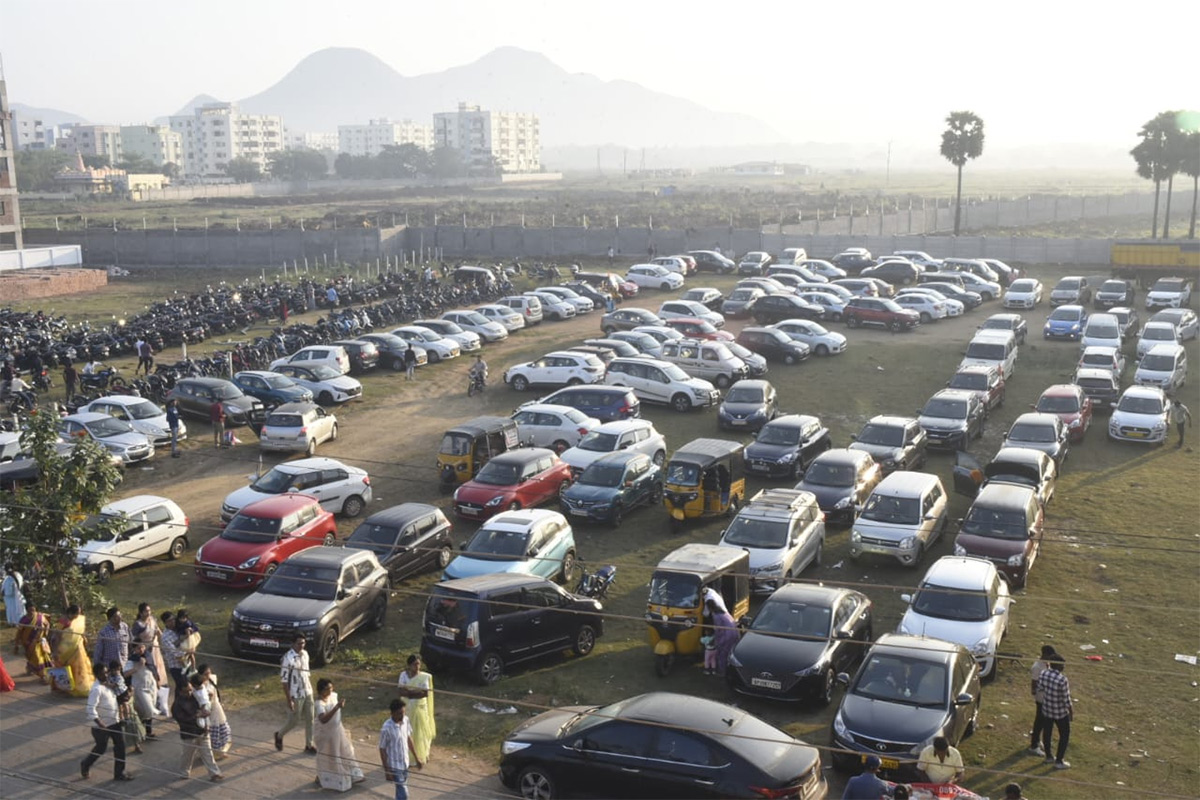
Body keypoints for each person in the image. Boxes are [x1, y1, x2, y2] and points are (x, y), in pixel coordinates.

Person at [81, 662, 132, 781]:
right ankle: (85, 764)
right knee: (101, 749)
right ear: (97, 674)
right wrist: (100, 723)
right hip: (101, 726)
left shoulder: (108, 685)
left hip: (114, 721)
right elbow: (90, 708)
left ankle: (119, 773)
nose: (106, 674)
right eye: (103, 673)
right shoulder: (96, 689)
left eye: (106, 672)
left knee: (120, 747)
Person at [314, 677, 365, 790]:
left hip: (337, 730)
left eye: (331, 687)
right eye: (328, 689)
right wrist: (337, 707)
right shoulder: (319, 704)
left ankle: (355, 775)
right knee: (330, 755)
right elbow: (323, 719)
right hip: (326, 734)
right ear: (322, 691)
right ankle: (324, 778)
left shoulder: (333, 696)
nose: (331, 690)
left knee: (346, 751)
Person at [173, 672, 223, 782]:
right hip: (189, 733)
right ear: (180, 691)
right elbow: (182, 719)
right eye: (187, 691)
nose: (190, 693)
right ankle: (184, 772)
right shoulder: (177, 705)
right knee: (188, 755)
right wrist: (197, 715)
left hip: (202, 730)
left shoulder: (195, 696)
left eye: (191, 689)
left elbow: (203, 705)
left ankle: (215, 773)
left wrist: (205, 715)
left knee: (208, 753)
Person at [276, 634, 315, 754]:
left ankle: (309, 744)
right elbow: (284, 681)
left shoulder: (305, 655)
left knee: (311, 718)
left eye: (303, 643)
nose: (301, 646)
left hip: (307, 691)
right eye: (299, 643)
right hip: (295, 693)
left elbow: (306, 674)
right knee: (294, 720)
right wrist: (289, 699)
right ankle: (279, 735)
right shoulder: (288, 659)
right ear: (293, 644)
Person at [379, 698, 423, 800]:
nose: (402, 716)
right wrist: (387, 770)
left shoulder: (406, 721)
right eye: (399, 713)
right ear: (392, 713)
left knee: (401, 790)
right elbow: (382, 749)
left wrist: (417, 758)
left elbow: (408, 739)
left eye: (403, 712)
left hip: (405, 763)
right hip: (394, 766)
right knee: (403, 793)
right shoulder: (386, 728)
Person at [397, 654, 436, 763]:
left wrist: (409, 693)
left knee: (420, 733)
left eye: (418, 664)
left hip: (419, 709)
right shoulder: (403, 676)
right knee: (406, 732)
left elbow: (424, 693)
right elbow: (401, 691)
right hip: (406, 709)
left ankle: (421, 754)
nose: (417, 666)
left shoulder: (424, 677)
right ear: (409, 665)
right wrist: (412, 693)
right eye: (415, 664)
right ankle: (407, 756)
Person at [1036, 656, 1073, 769]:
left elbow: (1040, 687)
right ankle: (1059, 760)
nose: (1064, 667)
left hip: (1047, 708)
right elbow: (1066, 699)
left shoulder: (1043, 673)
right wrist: (1071, 712)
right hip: (1060, 712)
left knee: (1047, 732)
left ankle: (1049, 757)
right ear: (1057, 665)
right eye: (1062, 665)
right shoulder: (1062, 679)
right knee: (1065, 734)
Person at [52, 604, 94, 697]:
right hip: (64, 650)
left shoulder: (78, 620)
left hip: (77, 648)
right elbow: (57, 636)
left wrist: (84, 638)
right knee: (65, 668)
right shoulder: (63, 621)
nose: (78, 616)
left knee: (78, 668)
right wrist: (55, 651)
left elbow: (80, 631)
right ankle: (64, 687)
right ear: (70, 613)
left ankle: (78, 687)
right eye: (76, 614)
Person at [1028, 644, 1058, 756]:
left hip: (1046, 696)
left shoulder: (1046, 664)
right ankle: (1034, 745)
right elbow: (1034, 682)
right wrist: (1035, 692)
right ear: (1045, 655)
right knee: (1040, 721)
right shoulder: (1037, 667)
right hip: (1041, 697)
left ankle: (1037, 740)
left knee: (1042, 721)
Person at [14, 600, 54, 683]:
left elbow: (47, 624)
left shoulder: (40, 616)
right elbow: (19, 633)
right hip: (29, 643)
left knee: (40, 658)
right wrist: (17, 644)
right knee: (34, 657)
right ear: (26, 610)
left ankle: (43, 676)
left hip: (40, 642)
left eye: (33, 610)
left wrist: (45, 632)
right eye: (30, 610)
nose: (32, 612)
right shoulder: (23, 620)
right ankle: (33, 669)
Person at [197, 663, 231, 759]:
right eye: (205, 674)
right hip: (207, 711)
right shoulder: (200, 686)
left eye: (209, 673)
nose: (208, 675)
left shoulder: (212, 679)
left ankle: (221, 751)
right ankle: (206, 753)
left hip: (216, 709)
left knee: (223, 730)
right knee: (209, 733)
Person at [706, 598, 739, 674]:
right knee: (730, 652)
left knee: (722, 654)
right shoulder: (724, 612)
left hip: (727, 636)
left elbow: (718, 630)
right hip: (734, 633)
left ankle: (722, 671)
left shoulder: (716, 615)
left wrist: (716, 641)